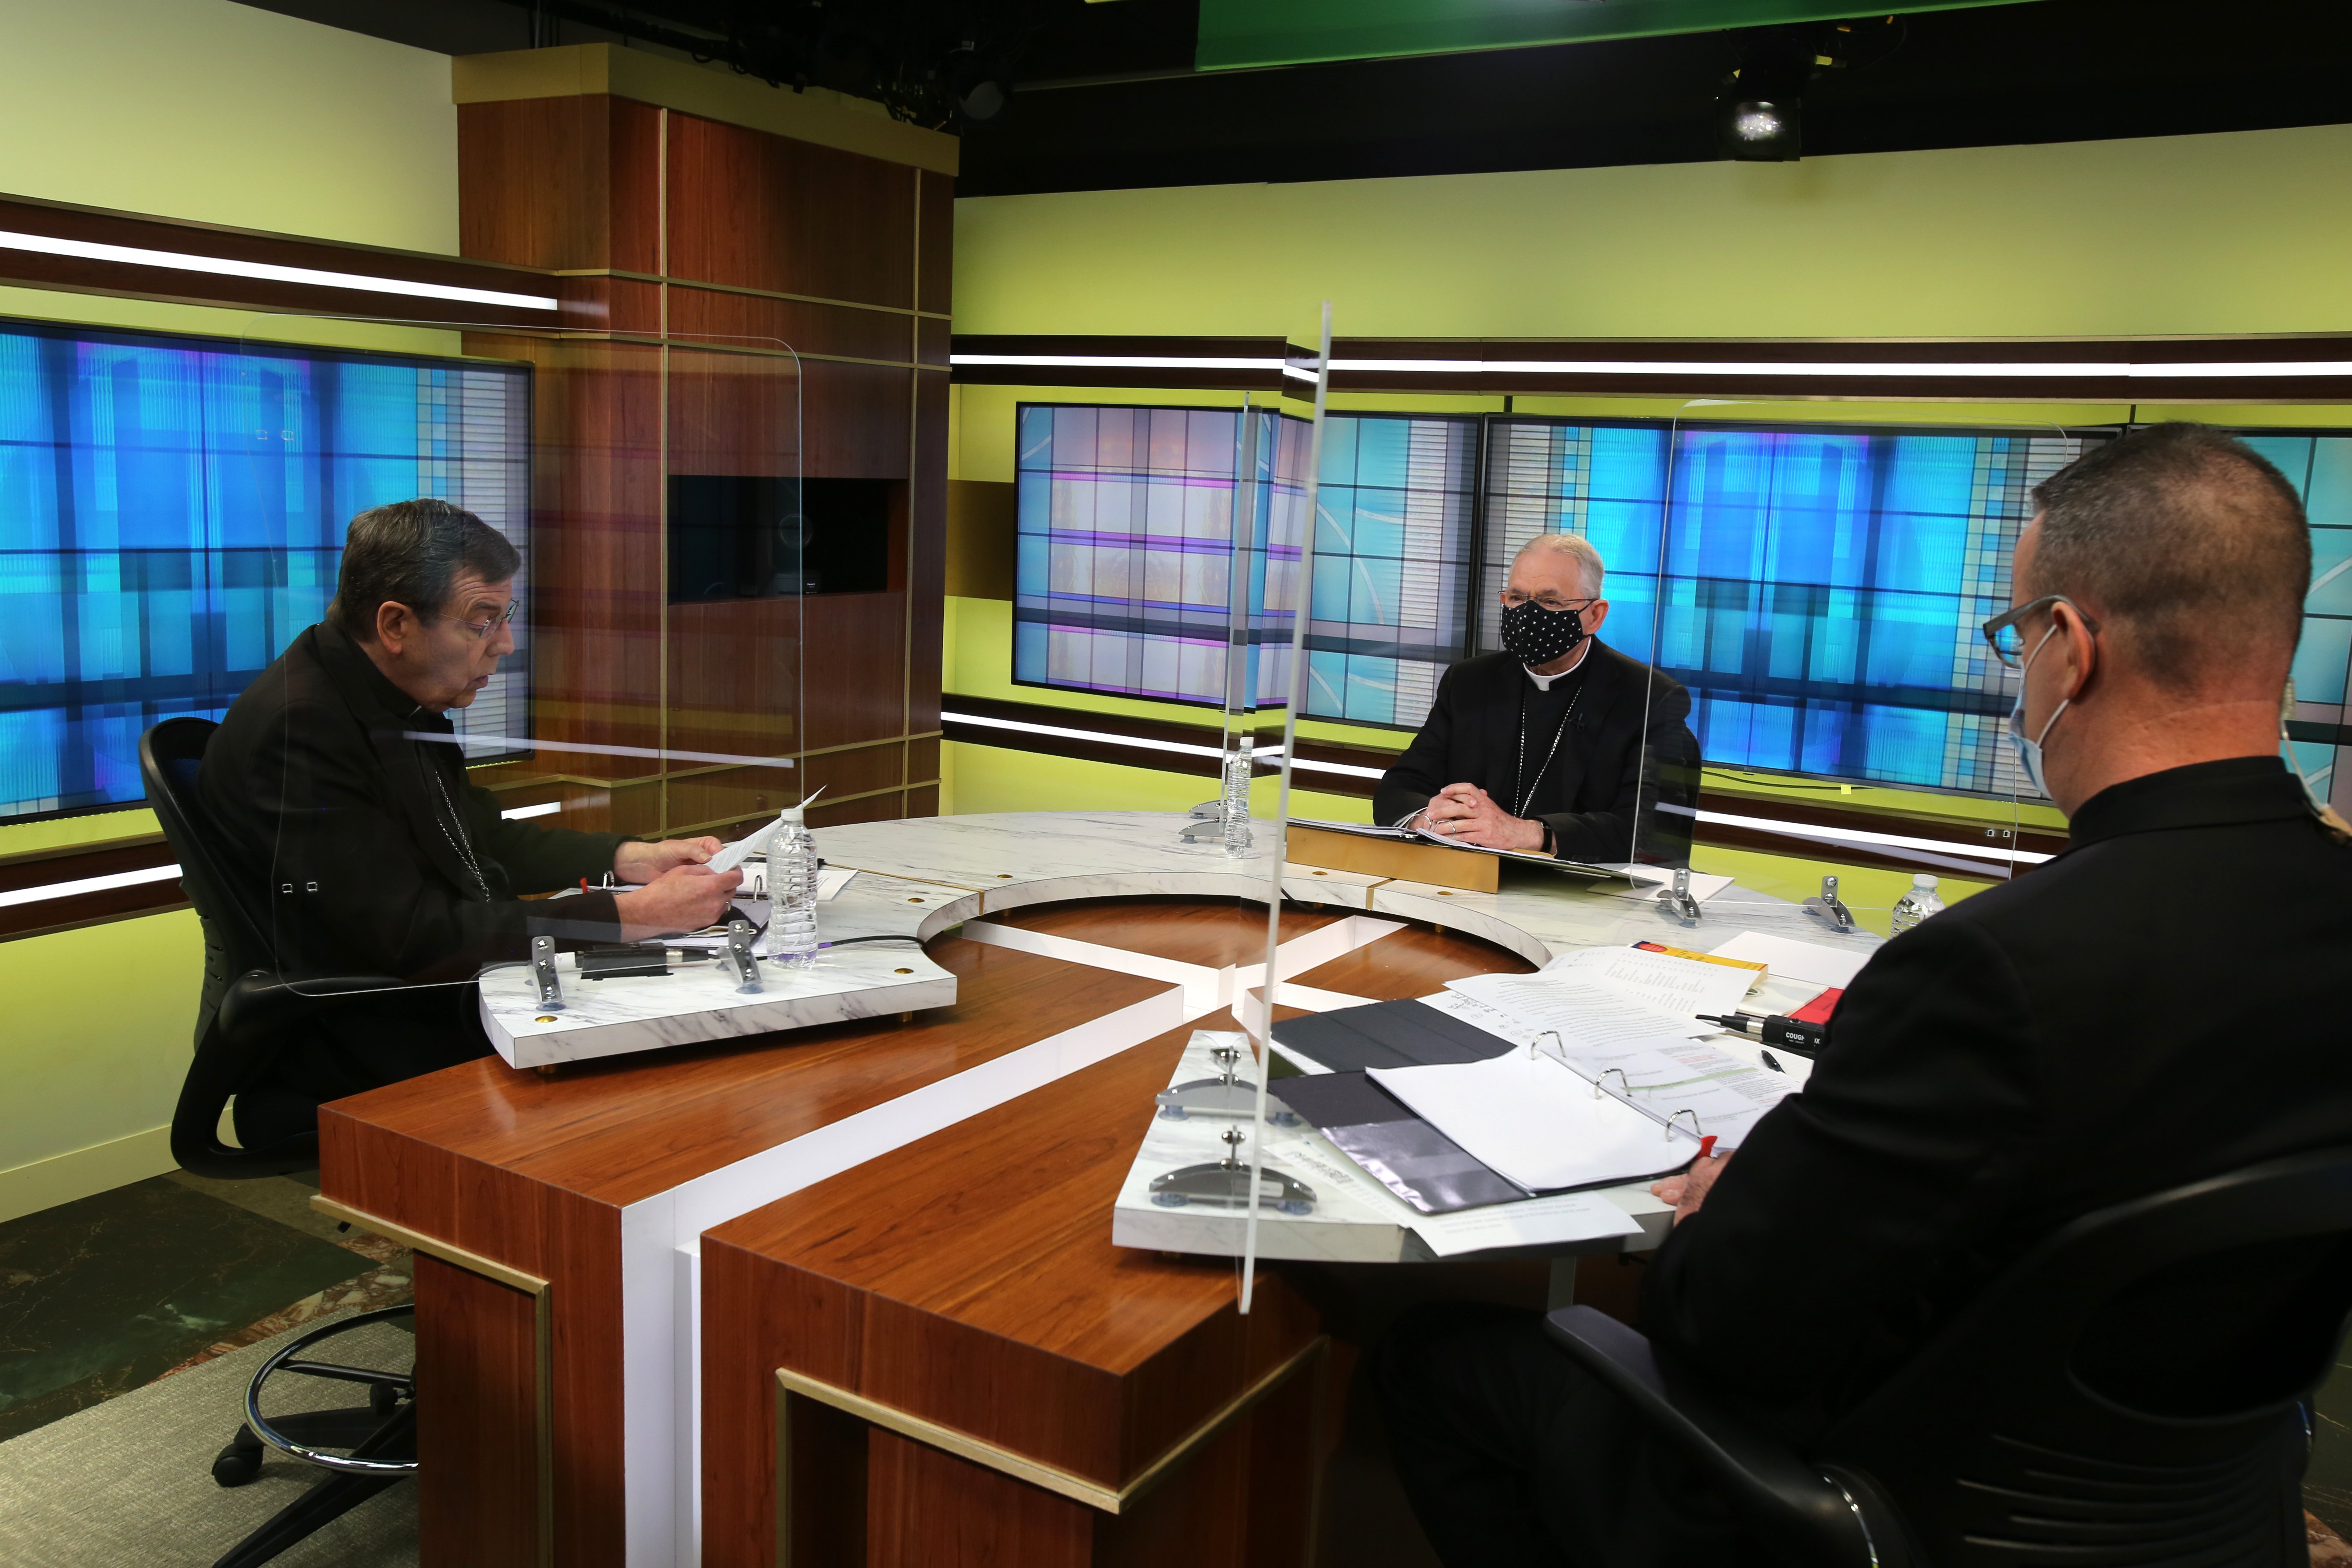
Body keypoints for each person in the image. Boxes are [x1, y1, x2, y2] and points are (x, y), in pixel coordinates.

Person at [1371, 424, 2352, 1567]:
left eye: (2012, 635)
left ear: (2069, 651)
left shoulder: (1990, 969)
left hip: (1881, 1502)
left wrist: (1710, 1213)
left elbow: (1724, 1330)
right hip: (2214, 1510)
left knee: (1437, 1365)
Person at [199, 499, 743, 1137]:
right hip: (368, 1037)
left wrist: (630, 858)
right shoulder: (303, 734)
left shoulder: (397, 699)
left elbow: (480, 838)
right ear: (396, 624)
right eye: (482, 621)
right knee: (685, 1074)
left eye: (503, 616)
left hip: (443, 995)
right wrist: (634, 915)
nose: (505, 645)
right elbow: (414, 939)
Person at [1373, 533, 1699, 865]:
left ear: (1595, 616)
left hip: (1584, 898)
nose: (1529, 613)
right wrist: (1427, 820)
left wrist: (1531, 835)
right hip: (1468, 879)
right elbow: (1401, 787)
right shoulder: (1470, 683)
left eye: (1551, 602)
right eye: (1517, 598)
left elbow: (1655, 833)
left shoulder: (1650, 699)